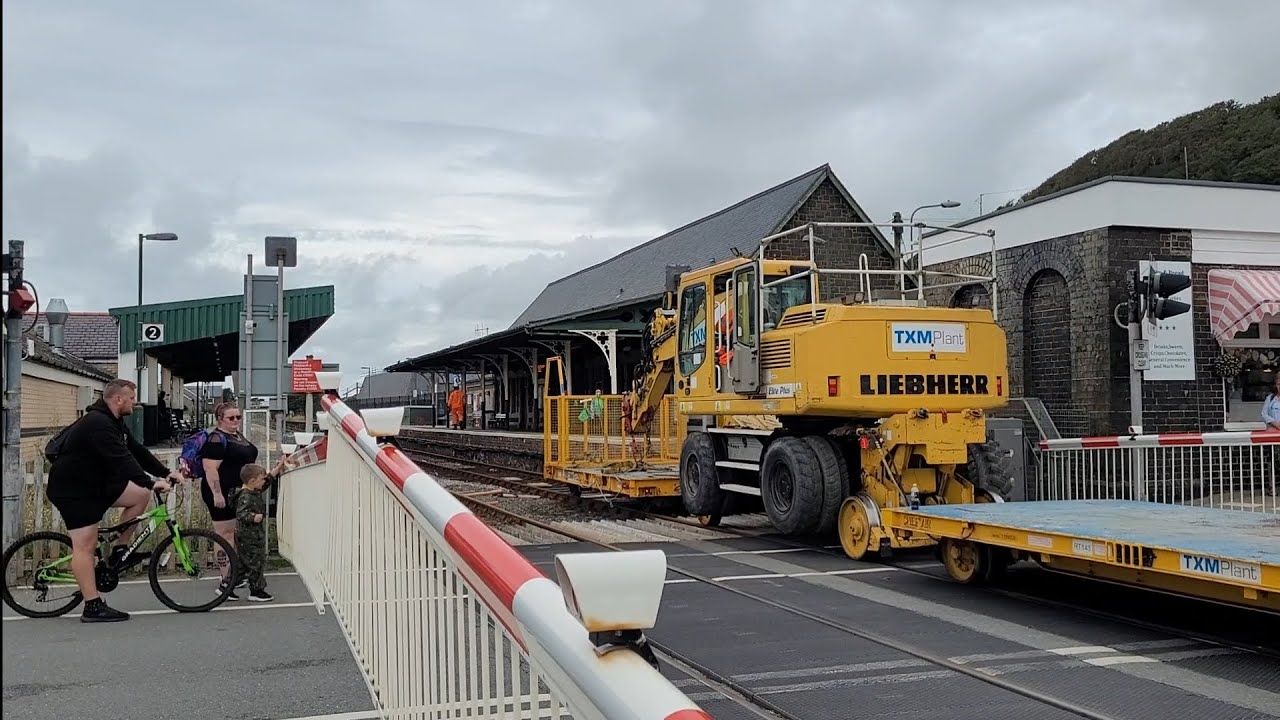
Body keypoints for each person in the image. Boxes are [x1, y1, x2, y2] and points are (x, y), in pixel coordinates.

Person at [45, 379, 182, 623]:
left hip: (96, 484)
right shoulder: (98, 424)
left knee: (140, 495)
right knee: (85, 545)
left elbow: (136, 451)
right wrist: (150, 481)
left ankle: (120, 550)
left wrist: (163, 473)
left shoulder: (113, 421)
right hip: (74, 489)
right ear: (118, 399)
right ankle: (92, 606)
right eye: (132, 397)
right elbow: (121, 459)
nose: (135, 402)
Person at [197, 402, 259, 599]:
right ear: (220, 419)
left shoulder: (236, 436)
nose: (235, 421)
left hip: (236, 492)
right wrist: (217, 494)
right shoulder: (216, 439)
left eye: (238, 417)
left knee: (233, 533)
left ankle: (233, 575)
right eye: (231, 418)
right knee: (224, 534)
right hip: (221, 491)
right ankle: (225, 579)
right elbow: (210, 469)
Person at [233, 463, 277, 602]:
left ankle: (226, 587)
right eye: (261, 479)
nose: (264, 481)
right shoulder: (246, 496)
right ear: (252, 481)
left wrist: (278, 467)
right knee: (255, 563)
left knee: (244, 563)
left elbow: (267, 482)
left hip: (252, 536)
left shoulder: (253, 490)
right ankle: (256, 590)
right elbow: (241, 513)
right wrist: (253, 517)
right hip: (249, 536)